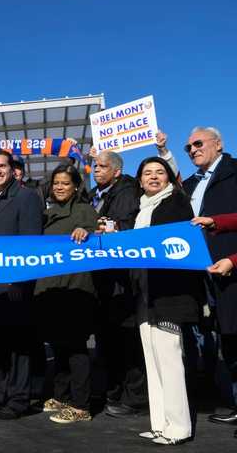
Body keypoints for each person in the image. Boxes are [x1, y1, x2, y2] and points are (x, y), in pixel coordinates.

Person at [132, 156, 202, 445]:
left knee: (170, 361)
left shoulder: (176, 202)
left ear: (169, 178)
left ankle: (179, 427)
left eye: (160, 172)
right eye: (147, 173)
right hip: (145, 293)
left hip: (169, 294)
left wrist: (165, 151)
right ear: (139, 180)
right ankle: (160, 422)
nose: (153, 177)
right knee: (153, 360)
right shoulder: (141, 209)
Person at [0, 150, 43, 420]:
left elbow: (30, 242)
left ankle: (18, 400)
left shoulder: (26, 197)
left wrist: (20, 281)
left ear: (12, 168)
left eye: (2, 166)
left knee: (18, 346)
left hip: (14, 284)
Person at [181, 127, 237, 430]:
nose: (192, 150)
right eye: (187, 147)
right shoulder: (189, 184)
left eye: (198, 144)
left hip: (231, 269)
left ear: (219, 143)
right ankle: (230, 400)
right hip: (201, 274)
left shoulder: (234, 171)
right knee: (219, 338)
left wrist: (232, 260)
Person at [35, 163, 98, 424]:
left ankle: (81, 405)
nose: (60, 187)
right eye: (56, 183)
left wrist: (87, 231)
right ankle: (61, 396)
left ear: (75, 186)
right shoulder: (47, 212)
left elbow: (96, 237)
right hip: (51, 289)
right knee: (58, 346)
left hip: (76, 289)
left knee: (76, 348)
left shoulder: (84, 210)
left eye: (65, 183)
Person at [88, 150, 147, 418]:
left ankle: (134, 398)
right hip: (102, 280)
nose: (95, 170)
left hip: (122, 280)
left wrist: (108, 226)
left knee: (128, 342)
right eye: (94, 166)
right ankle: (112, 391)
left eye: (102, 166)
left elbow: (124, 224)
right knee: (107, 340)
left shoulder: (126, 191)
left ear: (117, 171)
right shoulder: (93, 195)